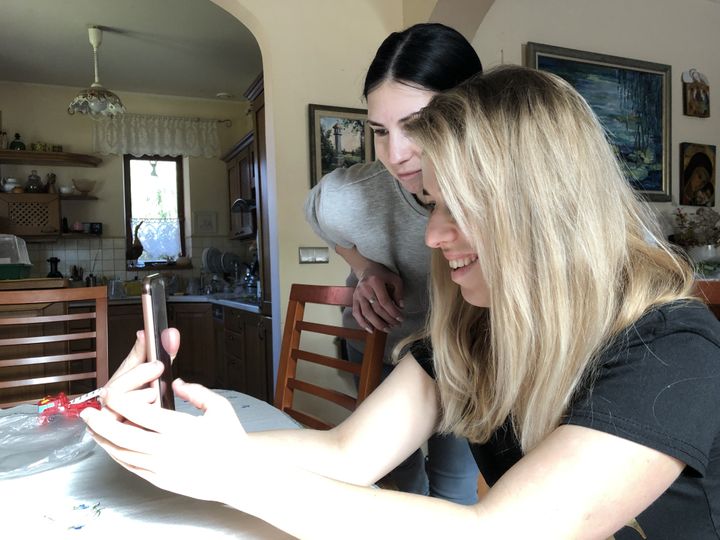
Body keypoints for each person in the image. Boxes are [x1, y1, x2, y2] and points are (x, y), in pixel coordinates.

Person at [82, 66, 720, 538]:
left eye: (460, 208)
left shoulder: (670, 347)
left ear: (542, 212)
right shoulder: (476, 328)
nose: (435, 236)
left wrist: (231, 475)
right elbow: (347, 453)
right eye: (433, 204)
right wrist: (171, 436)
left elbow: (507, 532)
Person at [304, 22, 482, 503]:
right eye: (380, 131)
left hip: (468, 348)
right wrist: (365, 268)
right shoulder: (348, 196)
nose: (396, 155)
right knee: (398, 479)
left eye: (417, 125)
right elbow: (323, 221)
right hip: (385, 343)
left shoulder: (516, 193)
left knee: (457, 477)